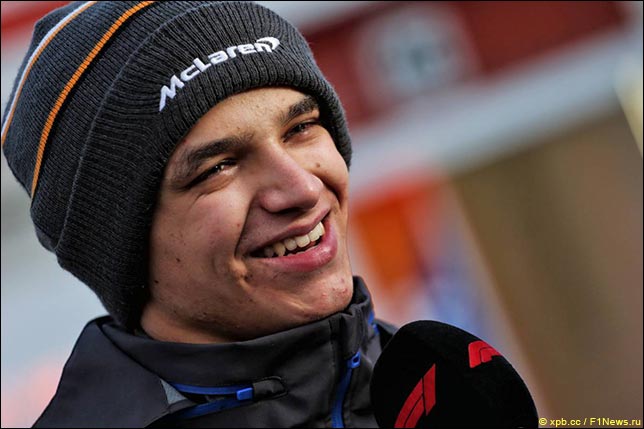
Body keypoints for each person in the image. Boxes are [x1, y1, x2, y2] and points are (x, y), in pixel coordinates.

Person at [1, 1, 395, 427]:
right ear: (121, 247)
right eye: (218, 168)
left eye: (300, 128)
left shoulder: (437, 383)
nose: (303, 189)